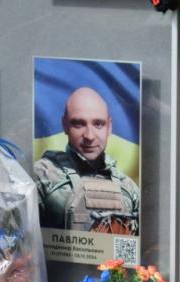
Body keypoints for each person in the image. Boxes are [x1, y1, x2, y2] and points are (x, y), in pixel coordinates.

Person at [33, 86, 140, 234]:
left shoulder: (129, 188)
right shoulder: (42, 176)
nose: (89, 136)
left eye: (98, 124)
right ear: (65, 125)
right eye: (79, 124)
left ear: (109, 127)